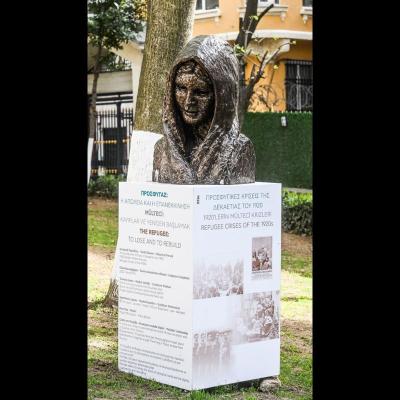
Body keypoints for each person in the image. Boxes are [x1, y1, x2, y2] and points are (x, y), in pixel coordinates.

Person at [153, 35, 256, 184]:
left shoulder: (239, 149)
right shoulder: (161, 148)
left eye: (200, 92)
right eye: (181, 88)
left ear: (222, 96)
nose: (188, 102)